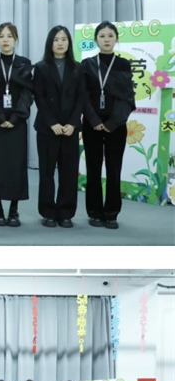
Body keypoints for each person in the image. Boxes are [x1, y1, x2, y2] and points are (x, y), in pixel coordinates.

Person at [82, 21, 136, 229]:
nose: (106, 39)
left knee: (114, 169)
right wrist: (94, 120)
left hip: (116, 125)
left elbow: (127, 97)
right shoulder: (87, 64)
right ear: (96, 39)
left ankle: (112, 213)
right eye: (102, 36)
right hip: (92, 124)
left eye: (110, 36)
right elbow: (83, 95)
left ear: (116, 39)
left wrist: (113, 122)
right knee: (93, 168)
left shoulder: (123, 64)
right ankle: (94, 212)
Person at [33, 26, 86, 228]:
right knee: (46, 172)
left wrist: (72, 123)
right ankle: (48, 212)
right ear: (50, 43)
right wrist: (52, 123)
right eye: (56, 39)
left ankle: (65, 213)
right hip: (48, 128)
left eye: (64, 39)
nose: (60, 43)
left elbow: (81, 97)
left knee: (69, 172)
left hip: (70, 128)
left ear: (69, 43)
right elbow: (39, 97)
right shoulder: (41, 67)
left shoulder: (78, 68)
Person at [0, 23, 34, 227]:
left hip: (17, 122)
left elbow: (27, 93)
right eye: (1, 36)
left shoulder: (24, 63)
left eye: (9, 36)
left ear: (16, 39)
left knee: (16, 165)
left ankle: (14, 209)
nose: (5, 40)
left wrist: (15, 117)